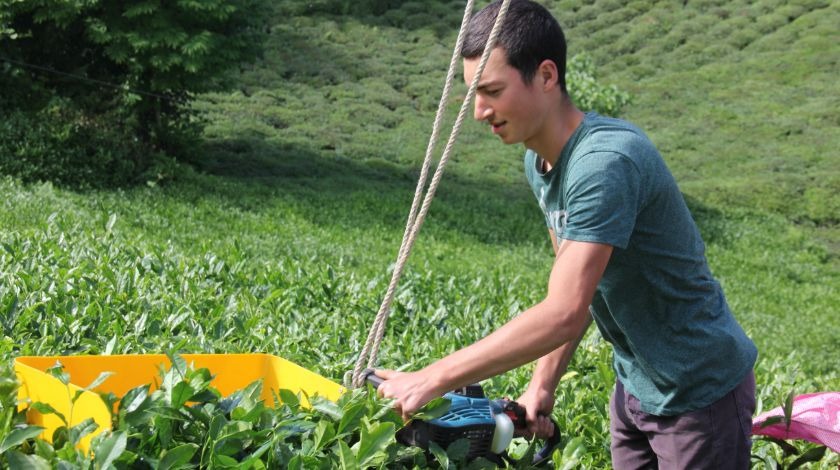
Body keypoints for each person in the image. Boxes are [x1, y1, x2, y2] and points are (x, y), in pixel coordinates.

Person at [375, 0, 758, 468]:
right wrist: (542, 384)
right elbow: (577, 287)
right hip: (636, 385)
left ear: (547, 76)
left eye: (492, 90)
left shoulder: (604, 164)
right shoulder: (541, 163)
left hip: (699, 394)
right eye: (473, 93)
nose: (478, 111)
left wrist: (433, 377)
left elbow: (562, 311)